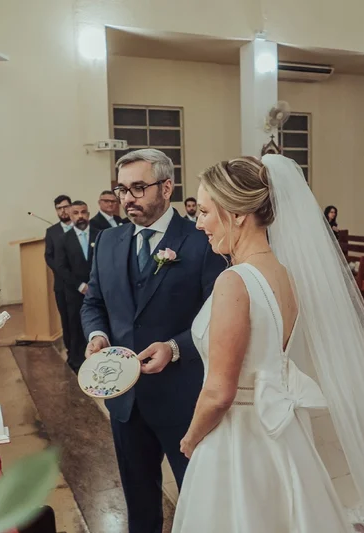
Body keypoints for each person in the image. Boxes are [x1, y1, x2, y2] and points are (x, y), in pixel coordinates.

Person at [172, 155, 364, 533]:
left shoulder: (234, 282)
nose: (199, 223)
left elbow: (219, 391)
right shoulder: (285, 274)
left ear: (237, 214)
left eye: (206, 212)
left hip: (238, 439)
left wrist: (191, 438)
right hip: (282, 436)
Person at [81, 149, 226, 533]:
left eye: (138, 188)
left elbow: (218, 318)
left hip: (184, 399)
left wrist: (175, 348)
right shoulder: (109, 241)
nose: (127, 198)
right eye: (122, 189)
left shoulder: (200, 241)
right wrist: (97, 336)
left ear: (167, 187)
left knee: (199, 499)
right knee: (140, 502)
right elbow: (94, 302)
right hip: (125, 401)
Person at [54, 201, 97, 372]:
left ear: (88, 214)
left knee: (96, 324)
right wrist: (80, 286)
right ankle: (77, 361)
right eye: (76, 213)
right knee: (75, 325)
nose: (80, 216)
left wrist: (95, 285)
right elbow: (61, 267)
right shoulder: (63, 239)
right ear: (71, 216)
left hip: (97, 290)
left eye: (83, 212)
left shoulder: (99, 235)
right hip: (74, 291)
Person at [44, 195, 73, 357]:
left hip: (83, 284)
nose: (63, 211)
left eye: (65, 207)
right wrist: (64, 273)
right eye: (59, 208)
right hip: (62, 284)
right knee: (67, 320)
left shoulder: (81, 227)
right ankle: (70, 350)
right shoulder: (52, 232)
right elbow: (49, 257)